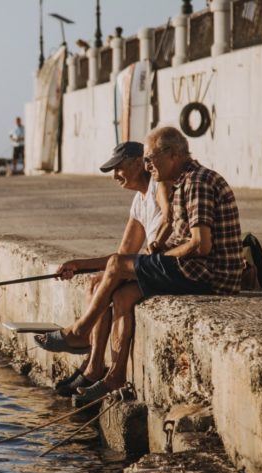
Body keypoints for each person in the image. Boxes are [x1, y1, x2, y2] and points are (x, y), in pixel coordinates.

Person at [36, 126, 245, 404]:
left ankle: (79, 331)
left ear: (172, 155)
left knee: (115, 270)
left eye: (150, 159)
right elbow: (130, 252)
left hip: (210, 273)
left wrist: (158, 257)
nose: (147, 166)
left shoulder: (197, 182)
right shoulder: (184, 181)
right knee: (123, 294)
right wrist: (85, 264)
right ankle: (114, 375)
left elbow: (201, 245)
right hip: (197, 268)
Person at [42, 142, 163, 405]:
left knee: (117, 294)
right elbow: (122, 255)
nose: (115, 176)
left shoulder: (158, 190)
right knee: (96, 283)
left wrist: (89, 265)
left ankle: (82, 336)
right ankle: (94, 367)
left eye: (118, 168)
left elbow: (128, 259)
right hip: (148, 265)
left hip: (164, 266)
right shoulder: (139, 200)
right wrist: (81, 265)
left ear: (137, 163)